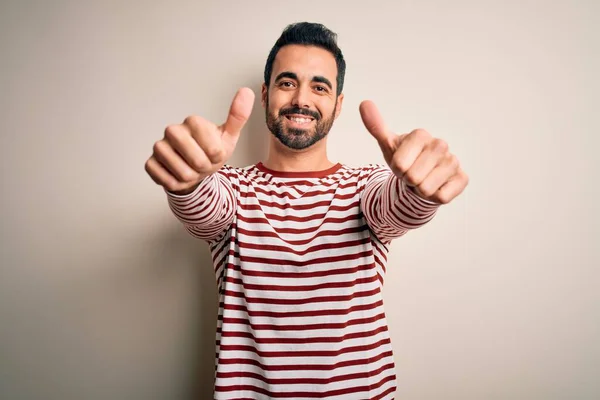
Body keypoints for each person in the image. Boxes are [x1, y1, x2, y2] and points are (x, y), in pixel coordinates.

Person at [145, 22, 468, 400]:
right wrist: (187, 180)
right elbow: (203, 208)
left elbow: (399, 208)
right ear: (266, 95)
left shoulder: (365, 187)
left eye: (319, 86)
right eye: (287, 82)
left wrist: (422, 187)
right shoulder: (231, 188)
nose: (302, 99)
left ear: (338, 103)